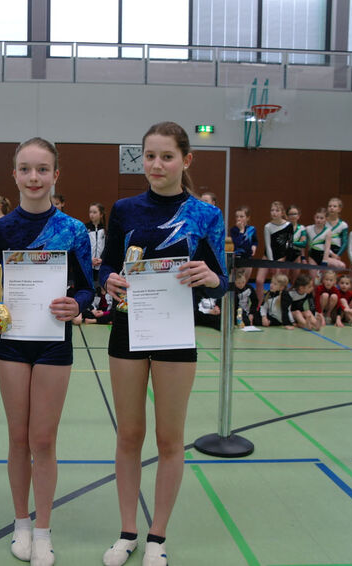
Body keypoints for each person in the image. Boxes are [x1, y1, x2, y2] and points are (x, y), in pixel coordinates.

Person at [99, 122, 226, 566]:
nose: (156, 165)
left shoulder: (206, 215)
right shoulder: (124, 209)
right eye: (149, 156)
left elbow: (222, 280)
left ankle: (158, 537)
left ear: (185, 160)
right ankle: (127, 532)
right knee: (129, 435)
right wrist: (108, 279)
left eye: (167, 157)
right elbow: (107, 266)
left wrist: (211, 277)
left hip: (176, 335)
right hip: (127, 331)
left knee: (170, 439)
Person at [0, 137, 93, 566]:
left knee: (43, 439)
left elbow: (87, 287)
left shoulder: (74, 230)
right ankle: (21, 521)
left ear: (55, 175)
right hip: (11, 341)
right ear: (14, 175)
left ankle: (43, 529)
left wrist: (78, 304)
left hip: (53, 342)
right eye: (25, 169)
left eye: (43, 169)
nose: (34, 177)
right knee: (18, 437)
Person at [255, 201, 292, 304]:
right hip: (268, 256)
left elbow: (289, 244)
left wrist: (283, 259)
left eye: (277, 210)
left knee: (278, 282)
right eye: (272, 210)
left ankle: (277, 304)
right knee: (259, 280)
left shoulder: (288, 225)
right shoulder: (268, 226)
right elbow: (268, 245)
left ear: (282, 212)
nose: (274, 213)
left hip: (282, 257)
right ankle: (259, 304)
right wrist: (271, 262)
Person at [229, 205, 257, 281]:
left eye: (241, 216)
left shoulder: (252, 229)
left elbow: (255, 240)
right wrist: (241, 231)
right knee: (236, 282)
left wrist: (254, 246)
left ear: (247, 218)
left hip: (248, 258)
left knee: (244, 281)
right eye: (237, 216)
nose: (238, 219)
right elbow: (237, 244)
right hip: (237, 259)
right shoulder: (233, 230)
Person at [87, 202, 107, 284]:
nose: (92, 214)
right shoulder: (85, 228)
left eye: (94, 212)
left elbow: (107, 247)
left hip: (101, 263)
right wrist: (89, 259)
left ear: (101, 214)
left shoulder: (105, 229)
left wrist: (102, 259)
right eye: (90, 212)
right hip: (89, 263)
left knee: (100, 284)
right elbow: (84, 247)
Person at [325, 197, 349, 265]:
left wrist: (338, 255)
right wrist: (331, 254)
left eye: (334, 206)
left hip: (336, 252)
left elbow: (345, 243)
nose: (331, 208)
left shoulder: (343, 225)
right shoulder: (323, 222)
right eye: (330, 206)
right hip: (324, 250)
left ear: (339, 209)